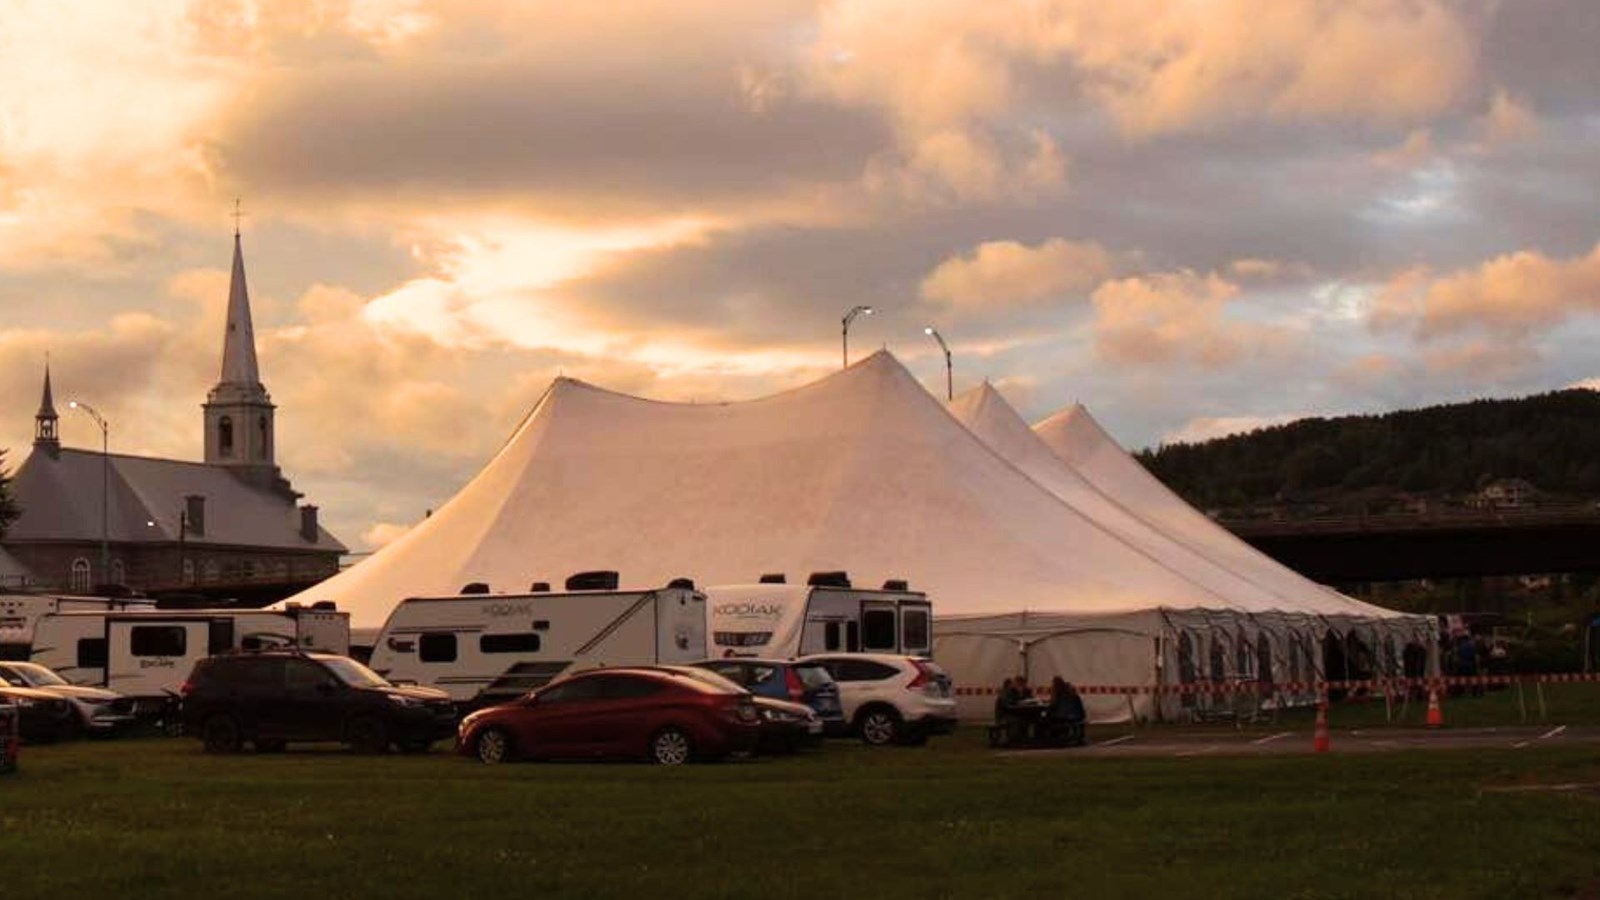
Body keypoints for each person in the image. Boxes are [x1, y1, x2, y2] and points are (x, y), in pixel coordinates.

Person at [1045, 676, 1087, 747]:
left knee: (1047, 719)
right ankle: (1073, 736)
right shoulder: (1074, 696)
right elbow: (1080, 708)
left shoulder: (1058, 695)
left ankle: (1053, 737)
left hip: (1062, 716)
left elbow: (1053, 706)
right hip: (1075, 715)